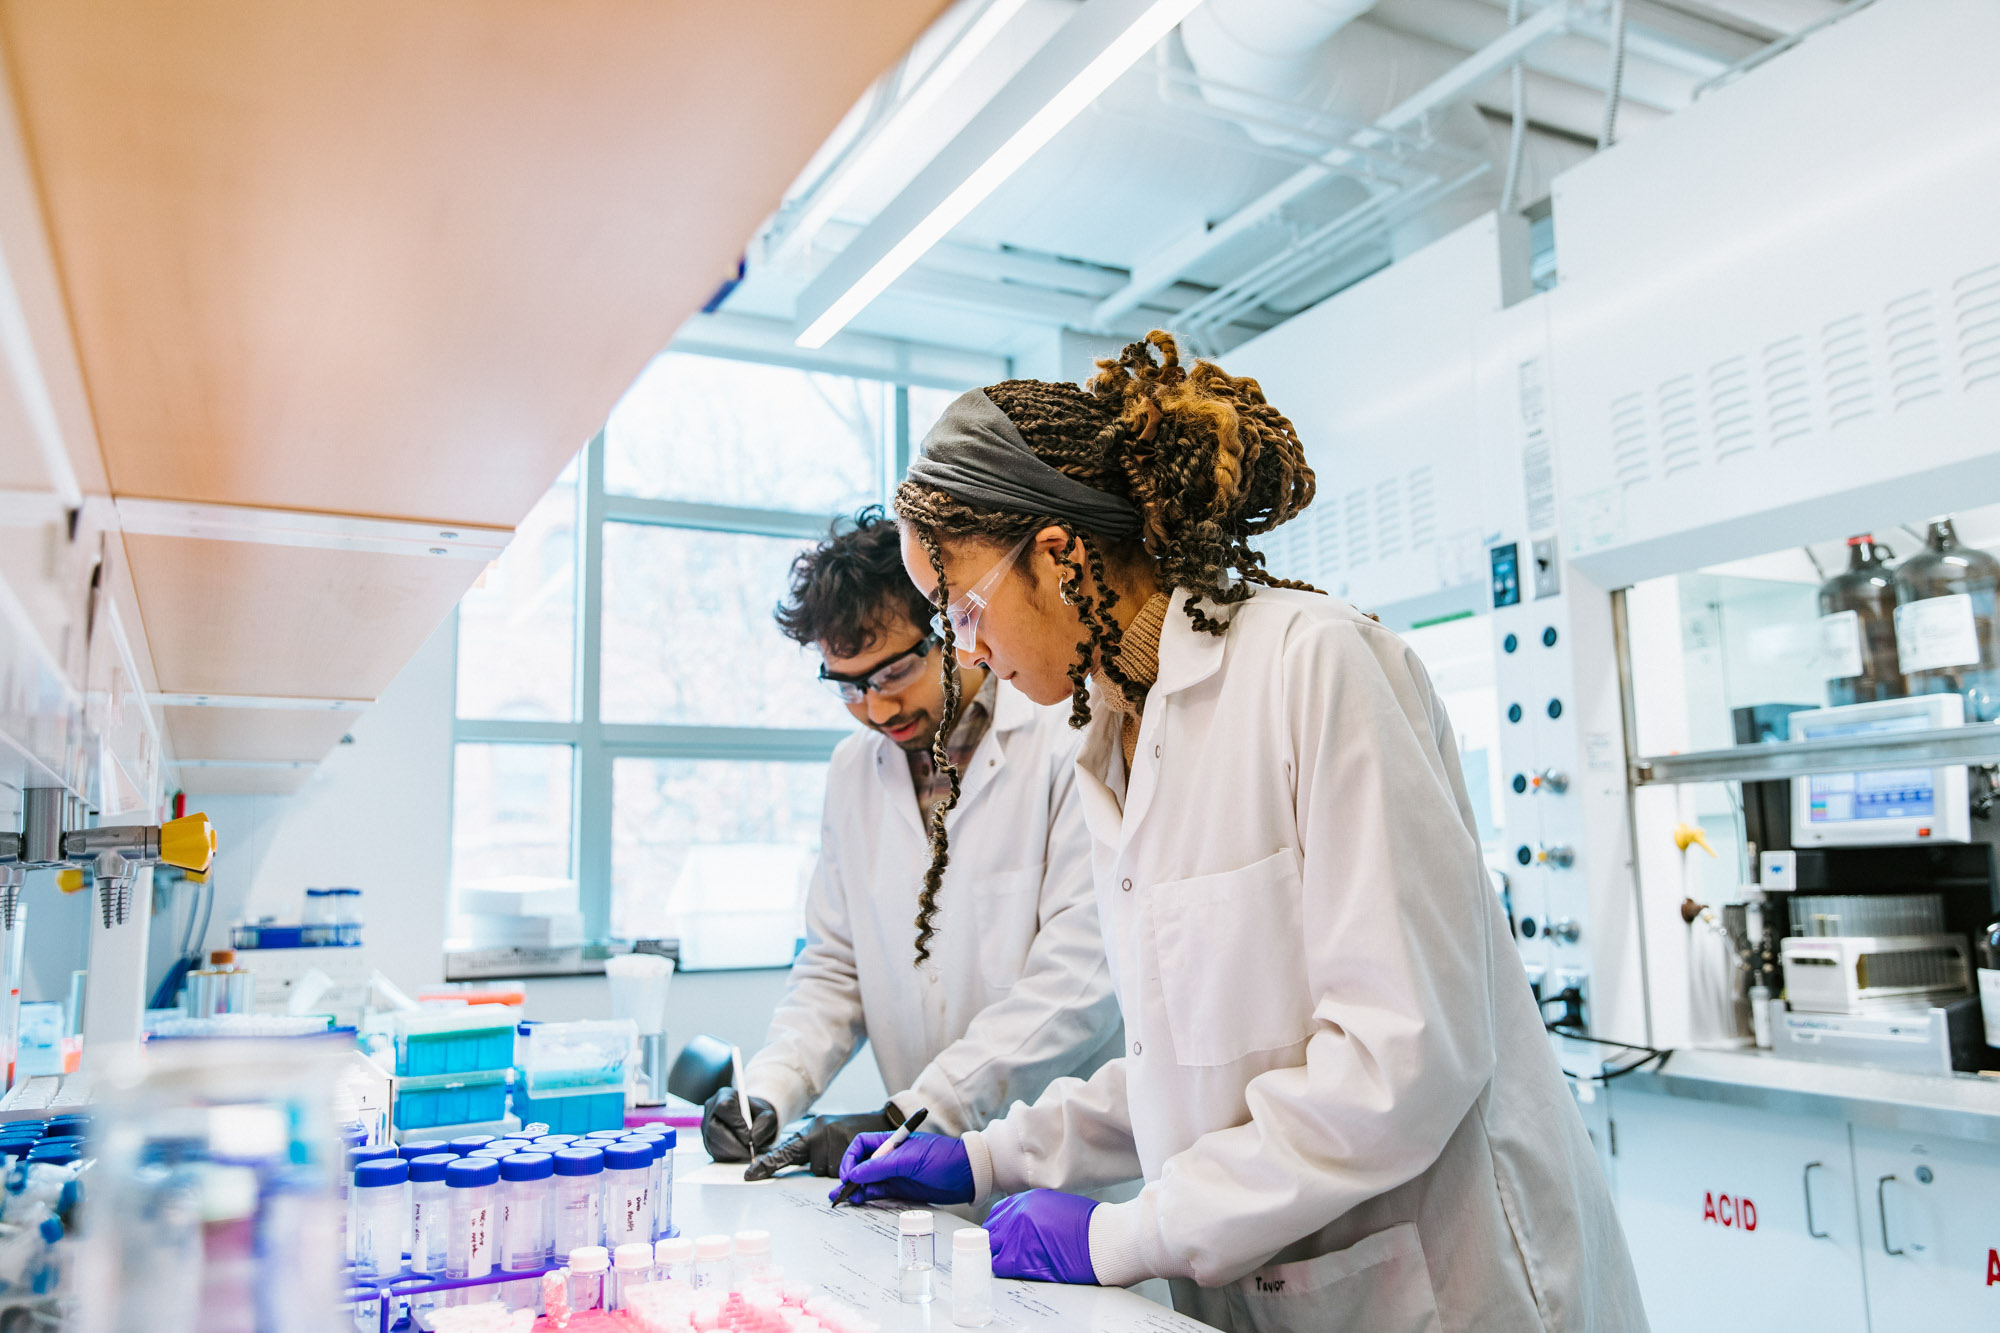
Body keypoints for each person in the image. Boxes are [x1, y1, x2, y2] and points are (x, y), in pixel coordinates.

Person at [834, 334, 1647, 1331]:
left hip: (1442, 1286)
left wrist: (1117, 1237)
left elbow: (1400, 1060)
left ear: (1055, 554)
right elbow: (1193, 1065)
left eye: (958, 606)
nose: (965, 647)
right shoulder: (1109, 737)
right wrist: (992, 1154)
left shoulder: (1312, 666)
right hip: (1272, 1293)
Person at [700, 506, 1123, 1178]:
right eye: (848, 687)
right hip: (918, 1179)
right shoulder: (853, 771)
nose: (877, 708)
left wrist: (917, 1111)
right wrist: (769, 1091)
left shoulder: (1063, 738)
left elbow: (1081, 980)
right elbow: (837, 966)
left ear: (953, 626)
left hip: (1060, 1167)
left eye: (893, 673)